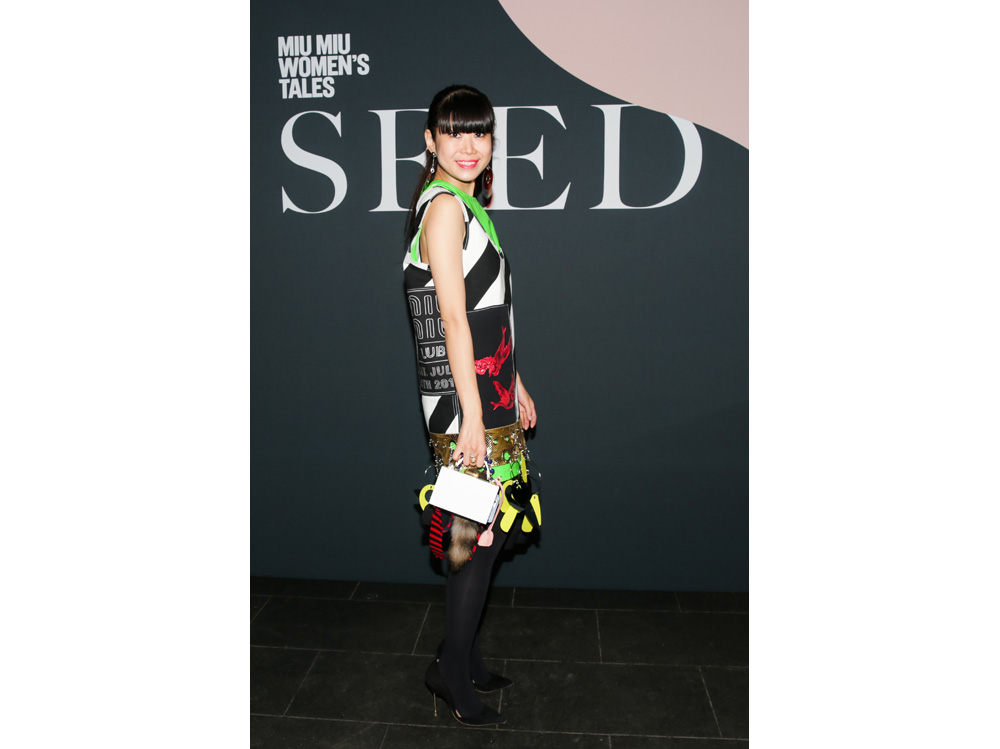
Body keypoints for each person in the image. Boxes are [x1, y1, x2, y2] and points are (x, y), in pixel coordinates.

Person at [403, 84, 538, 727]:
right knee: (473, 541)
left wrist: (517, 383)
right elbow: (454, 320)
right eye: (453, 131)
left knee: (488, 536)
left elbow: (491, 315)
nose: (468, 145)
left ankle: (463, 655)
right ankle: (451, 670)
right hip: (466, 407)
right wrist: (475, 417)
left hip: (488, 392)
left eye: (479, 132)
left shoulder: (464, 207)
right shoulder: (443, 210)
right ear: (430, 141)